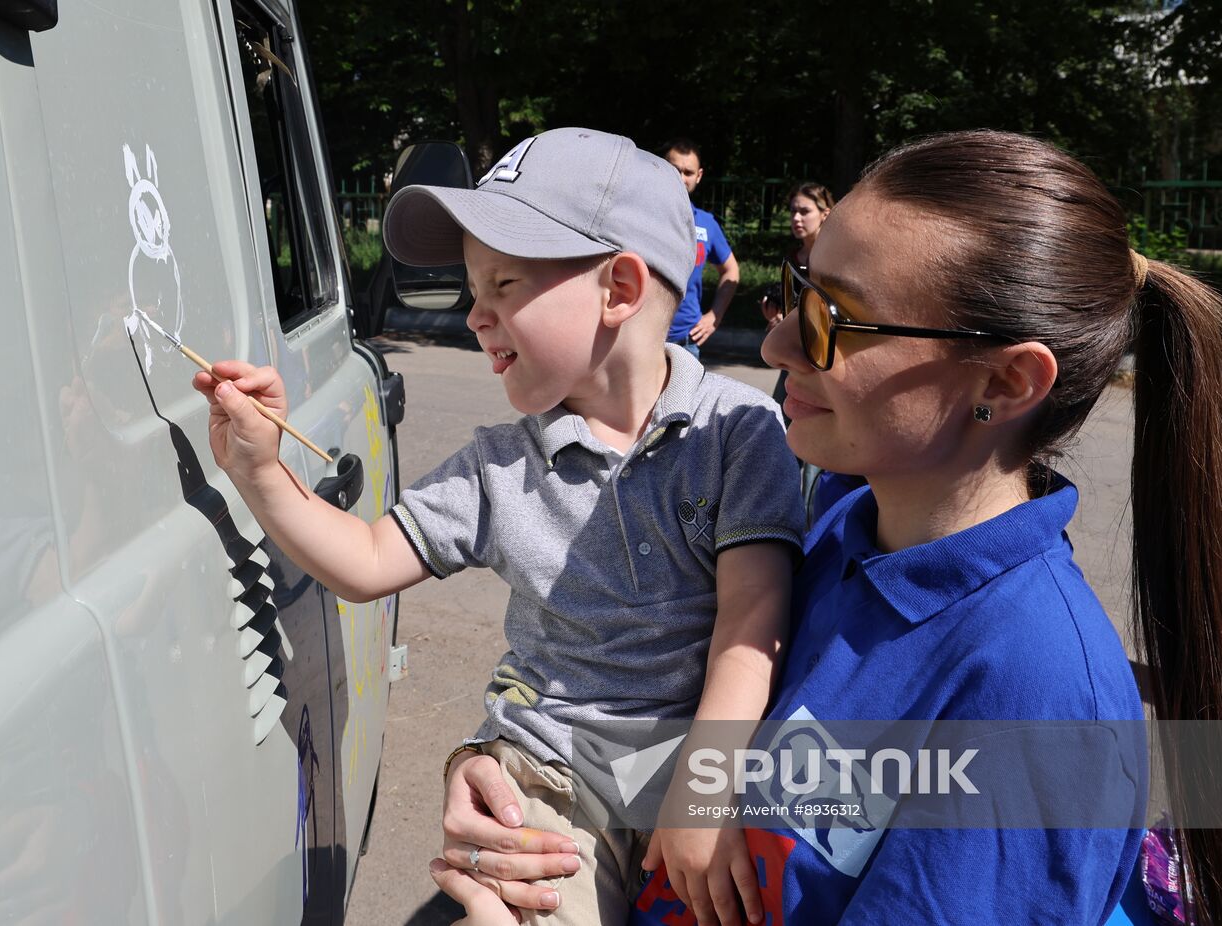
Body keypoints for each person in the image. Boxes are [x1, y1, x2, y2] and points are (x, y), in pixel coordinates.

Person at [432, 129, 1222, 925]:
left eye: (831, 319)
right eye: (797, 290)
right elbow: (733, 764)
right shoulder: (843, 525)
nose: (776, 344)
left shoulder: (1039, 694)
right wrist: (511, 775)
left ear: (1006, 381)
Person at [196, 127, 805, 925]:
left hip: (697, 765)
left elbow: (752, 617)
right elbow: (367, 560)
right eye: (472, 288)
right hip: (550, 779)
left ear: (619, 289)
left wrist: (704, 782)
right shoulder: (497, 466)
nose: (475, 315)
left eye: (504, 284)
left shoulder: (739, 429)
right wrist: (259, 471)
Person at [662, 138, 740, 360]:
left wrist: (714, 316)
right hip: (641, 338)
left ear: (699, 176)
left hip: (686, 342)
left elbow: (731, 270)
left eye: (688, 172)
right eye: (675, 170)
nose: (681, 178)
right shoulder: (641, 215)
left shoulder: (706, 224)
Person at [768, 183, 835, 421]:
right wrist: (780, 319)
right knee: (780, 418)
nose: (796, 218)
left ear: (825, 213)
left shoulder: (836, 257)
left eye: (805, 211)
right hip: (797, 352)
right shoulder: (792, 257)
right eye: (793, 211)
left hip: (825, 357)